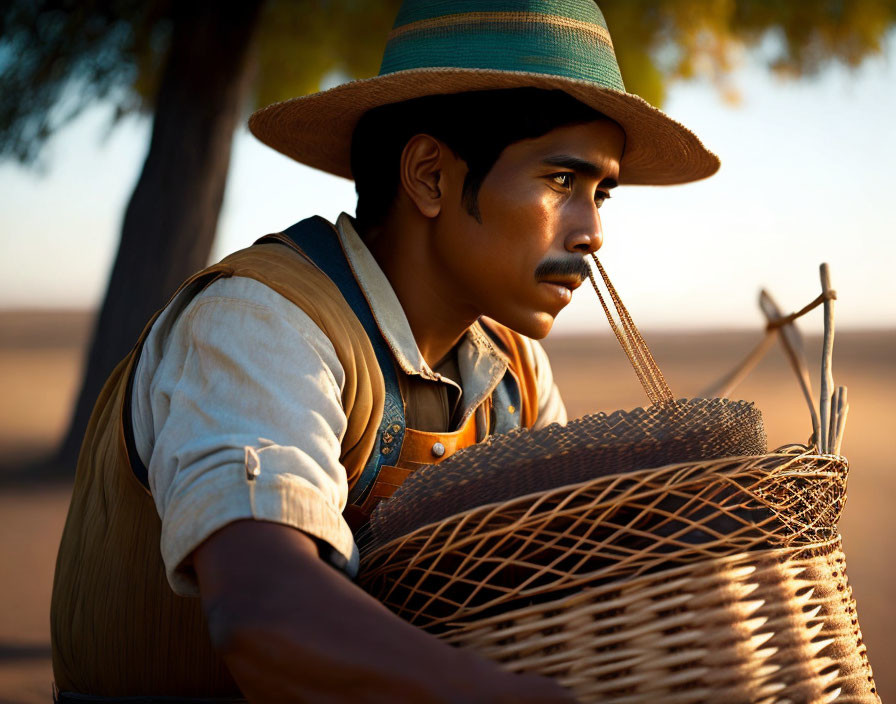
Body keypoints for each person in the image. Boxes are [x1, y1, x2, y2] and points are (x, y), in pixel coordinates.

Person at [50, 1, 719, 702]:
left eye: (601, 195)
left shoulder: (513, 372)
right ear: (430, 175)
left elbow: (554, 579)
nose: (592, 234)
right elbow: (261, 610)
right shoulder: (261, 323)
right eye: (561, 182)